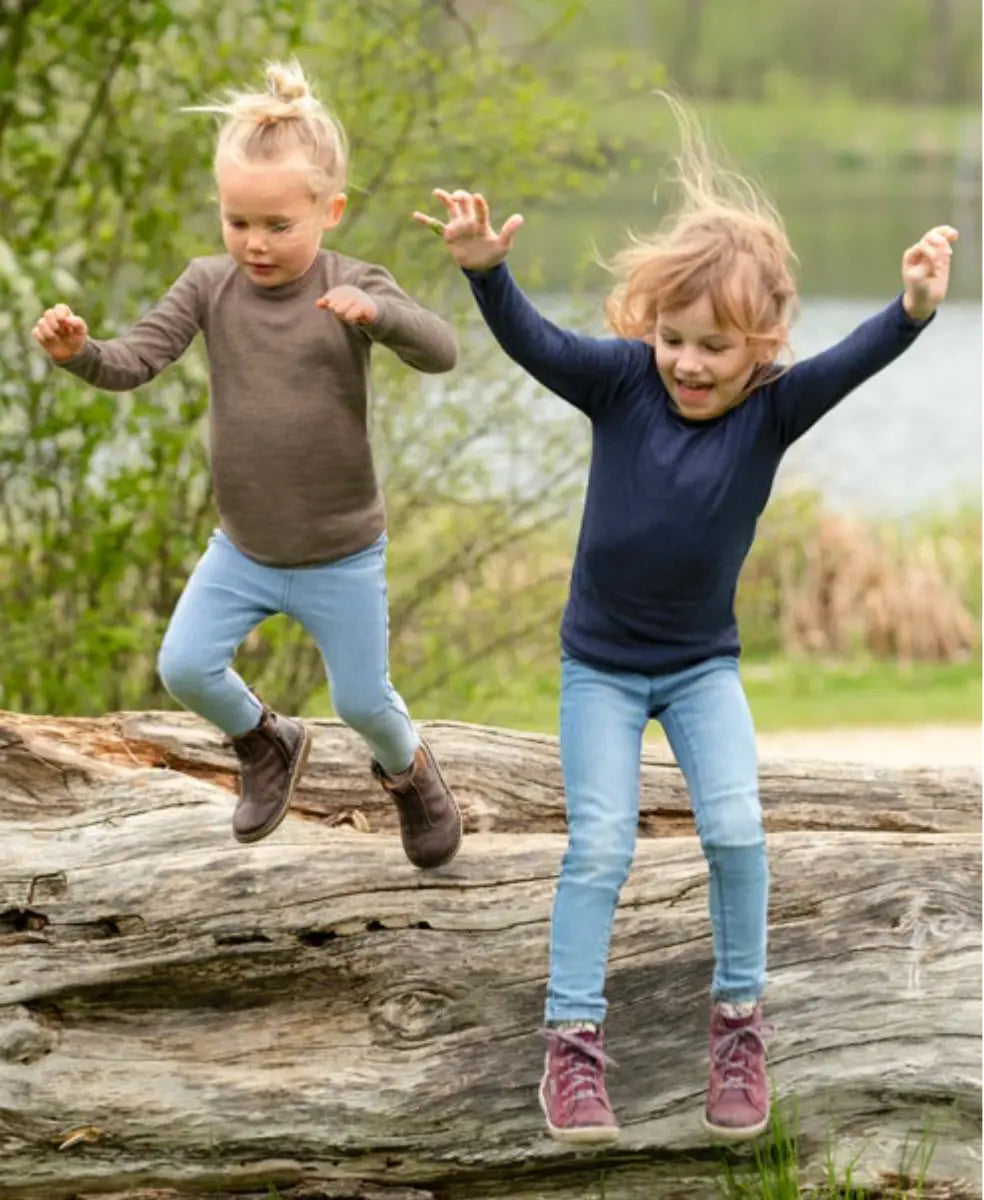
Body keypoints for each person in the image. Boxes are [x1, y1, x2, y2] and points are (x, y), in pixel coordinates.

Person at [414, 100, 957, 1142]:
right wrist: (487, 271)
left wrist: (915, 308)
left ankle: (739, 1027)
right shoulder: (619, 384)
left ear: (761, 349)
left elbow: (856, 358)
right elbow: (533, 342)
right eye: (673, 339)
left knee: (739, 829)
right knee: (601, 847)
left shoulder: (775, 408)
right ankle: (571, 1049)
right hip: (601, 672)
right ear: (647, 329)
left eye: (715, 347)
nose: (690, 364)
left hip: (703, 668)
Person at [32, 60, 463, 869]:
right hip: (244, 551)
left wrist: (384, 316)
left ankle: (411, 775)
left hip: (342, 553)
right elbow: (134, 361)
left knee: (366, 701)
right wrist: (79, 353)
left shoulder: (353, 283)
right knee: (185, 667)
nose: (255, 244)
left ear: (328, 211)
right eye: (238, 222)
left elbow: (442, 351)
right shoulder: (207, 286)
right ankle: (268, 743)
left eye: (277, 225)